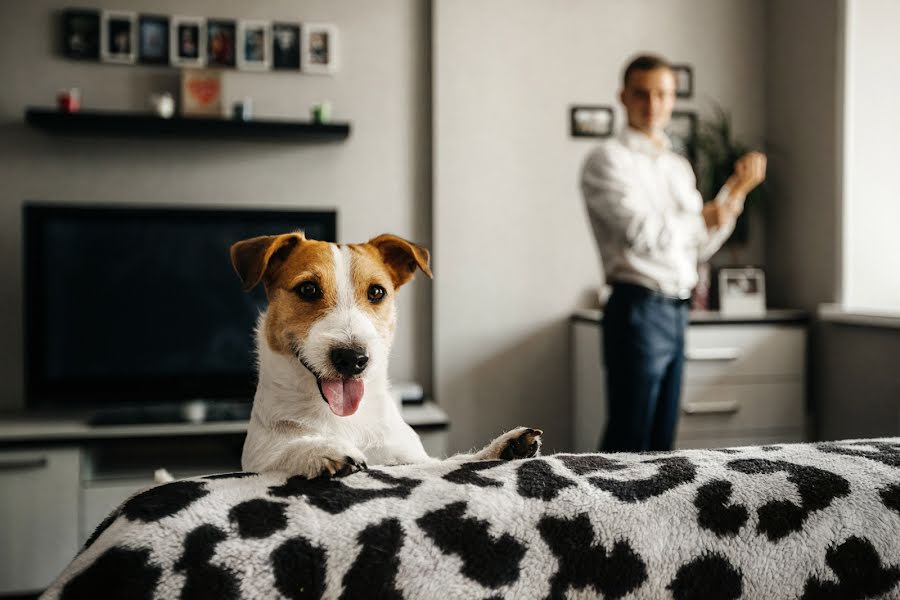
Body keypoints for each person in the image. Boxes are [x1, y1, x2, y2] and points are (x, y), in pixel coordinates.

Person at [580, 54, 766, 452]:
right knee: (629, 442)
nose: (653, 105)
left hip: (679, 310)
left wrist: (734, 192)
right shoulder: (607, 160)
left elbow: (698, 245)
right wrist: (704, 215)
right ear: (623, 97)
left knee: (663, 444)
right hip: (637, 310)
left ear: (673, 98)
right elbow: (639, 233)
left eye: (662, 94)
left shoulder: (678, 166)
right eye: (642, 94)